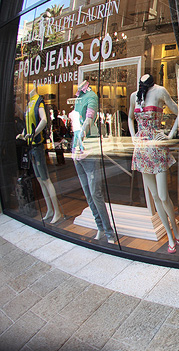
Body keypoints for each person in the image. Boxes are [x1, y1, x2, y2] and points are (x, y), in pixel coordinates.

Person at [128, 74, 179, 253]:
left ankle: (175, 228)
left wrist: (170, 135)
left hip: (157, 147)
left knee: (163, 196)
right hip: (142, 149)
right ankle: (169, 235)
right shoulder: (134, 95)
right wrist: (133, 137)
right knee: (155, 196)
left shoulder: (160, 91)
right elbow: (130, 117)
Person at [71, 80, 116, 243]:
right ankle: (100, 227)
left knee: (95, 193)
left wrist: (81, 138)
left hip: (88, 146)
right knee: (87, 193)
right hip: (77, 147)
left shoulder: (91, 96)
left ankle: (109, 232)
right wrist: (76, 143)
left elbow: (89, 119)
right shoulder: (78, 98)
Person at [16, 86, 63, 223]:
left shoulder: (38, 102)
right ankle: (50, 209)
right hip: (30, 145)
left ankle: (57, 211)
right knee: (40, 180)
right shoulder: (29, 103)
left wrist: (34, 133)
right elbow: (28, 124)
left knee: (46, 179)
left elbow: (44, 120)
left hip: (37, 145)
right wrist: (23, 134)